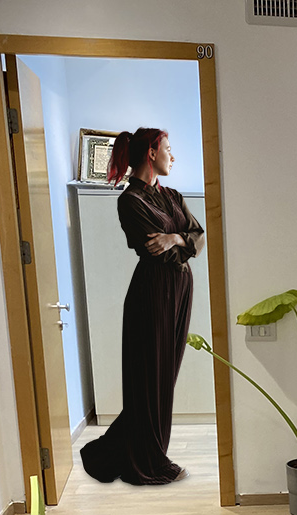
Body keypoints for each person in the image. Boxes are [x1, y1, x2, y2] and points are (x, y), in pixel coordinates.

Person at [81, 128, 204, 485]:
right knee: (150, 381)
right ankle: (148, 461)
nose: (172, 156)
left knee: (164, 379)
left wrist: (175, 237)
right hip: (152, 292)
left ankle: (112, 454)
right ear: (151, 153)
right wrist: (180, 244)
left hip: (180, 290)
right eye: (168, 149)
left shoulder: (173, 195)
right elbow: (160, 254)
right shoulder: (130, 201)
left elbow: (197, 238)